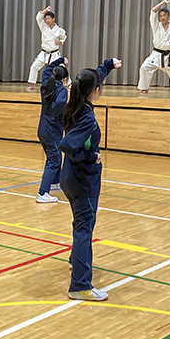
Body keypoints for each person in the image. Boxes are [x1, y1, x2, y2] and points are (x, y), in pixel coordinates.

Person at [59, 57, 120, 301]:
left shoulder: (74, 103)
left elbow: (91, 79)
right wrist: (90, 156)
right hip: (83, 181)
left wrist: (107, 66)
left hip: (69, 177)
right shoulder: (87, 118)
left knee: (80, 225)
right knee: (84, 229)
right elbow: (67, 144)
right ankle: (80, 285)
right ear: (95, 91)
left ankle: (76, 260)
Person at [36, 57, 69, 203]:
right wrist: (60, 115)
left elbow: (46, 71)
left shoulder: (46, 86)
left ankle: (55, 183)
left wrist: (59, 60)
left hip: (42, 130)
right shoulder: (62, 91)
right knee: (53, 161)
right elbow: (60, 103)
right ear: (64, 79)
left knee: (56, 157)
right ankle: (42, 193)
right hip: (52, 132)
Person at [27, 6, 67, 91]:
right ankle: (32, 84)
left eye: (49, 18)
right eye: (46, 19)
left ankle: (69, 83)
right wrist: (45, 10)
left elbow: (63, 37)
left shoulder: (59, 30)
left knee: (61, 67)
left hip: (54, 53)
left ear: (53, 19)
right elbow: (38, 18)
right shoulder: (43, 27)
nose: (47, 20)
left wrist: (60, 42)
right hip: (44, 53)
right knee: (34, 66)